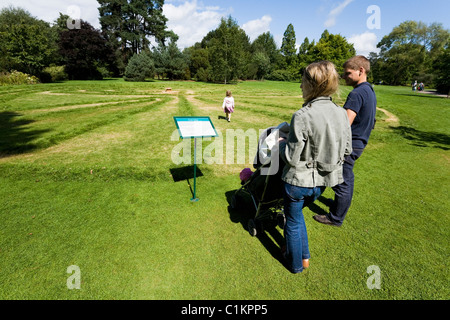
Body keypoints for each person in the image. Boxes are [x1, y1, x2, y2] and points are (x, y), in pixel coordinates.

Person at [278, 61, 352, 273]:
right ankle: (305, 258)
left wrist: (281, 145)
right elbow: (347, 150)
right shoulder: (341, 112)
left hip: (298, 182)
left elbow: (291, 158)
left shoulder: (302, 115)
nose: (300, 86)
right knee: (297, 216)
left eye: (303, 82)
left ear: (314, 85)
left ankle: (295, 265)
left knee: (292, 222)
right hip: (324, 183)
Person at [313, 55, 377, 227]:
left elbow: (343, 124)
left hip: (350, 144)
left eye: (348, 73)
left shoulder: (357, 94)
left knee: (342, 180)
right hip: (360, 142)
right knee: (344, 177)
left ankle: (336, 217)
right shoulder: (369, 91)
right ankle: (338, 208)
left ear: (361, 71)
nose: (344, 77)